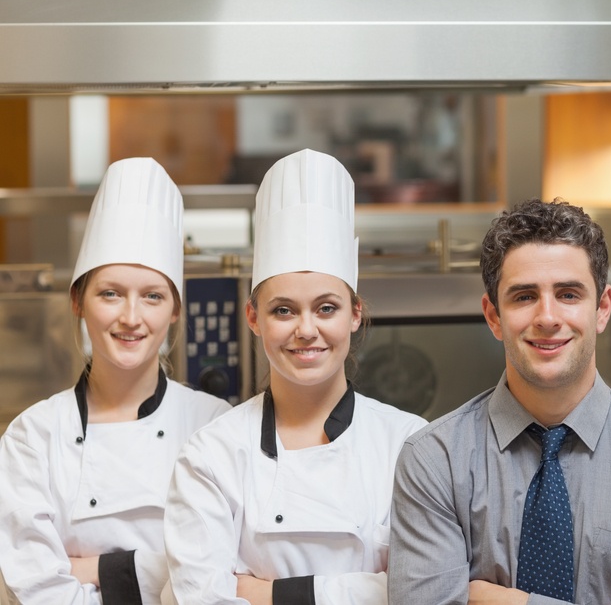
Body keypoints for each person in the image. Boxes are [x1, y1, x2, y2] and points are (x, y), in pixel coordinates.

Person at [389, 198, 611, 605]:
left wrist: (503, 601)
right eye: (524, 296)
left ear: (602, 308)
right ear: (493, 316)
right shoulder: (434, 461)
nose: (547, 317)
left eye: (567, 294)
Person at [162, 149, 427, 605]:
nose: (306, 330)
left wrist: (265, 593)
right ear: (253, 317)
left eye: (326, 307)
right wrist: (365, 589)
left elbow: (424, 591)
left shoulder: (411, 445)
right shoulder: (211, 456)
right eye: (283, 310)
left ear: (355, 314)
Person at [0, 157, 232, 604]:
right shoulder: (32, 437)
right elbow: (31, 589)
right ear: (78, 302)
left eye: (152, 296)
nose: (131, 317)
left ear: (175, 309)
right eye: (110, 293)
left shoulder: (215, 425)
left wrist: (89, 569)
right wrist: (164, 568)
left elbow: (229, 576)